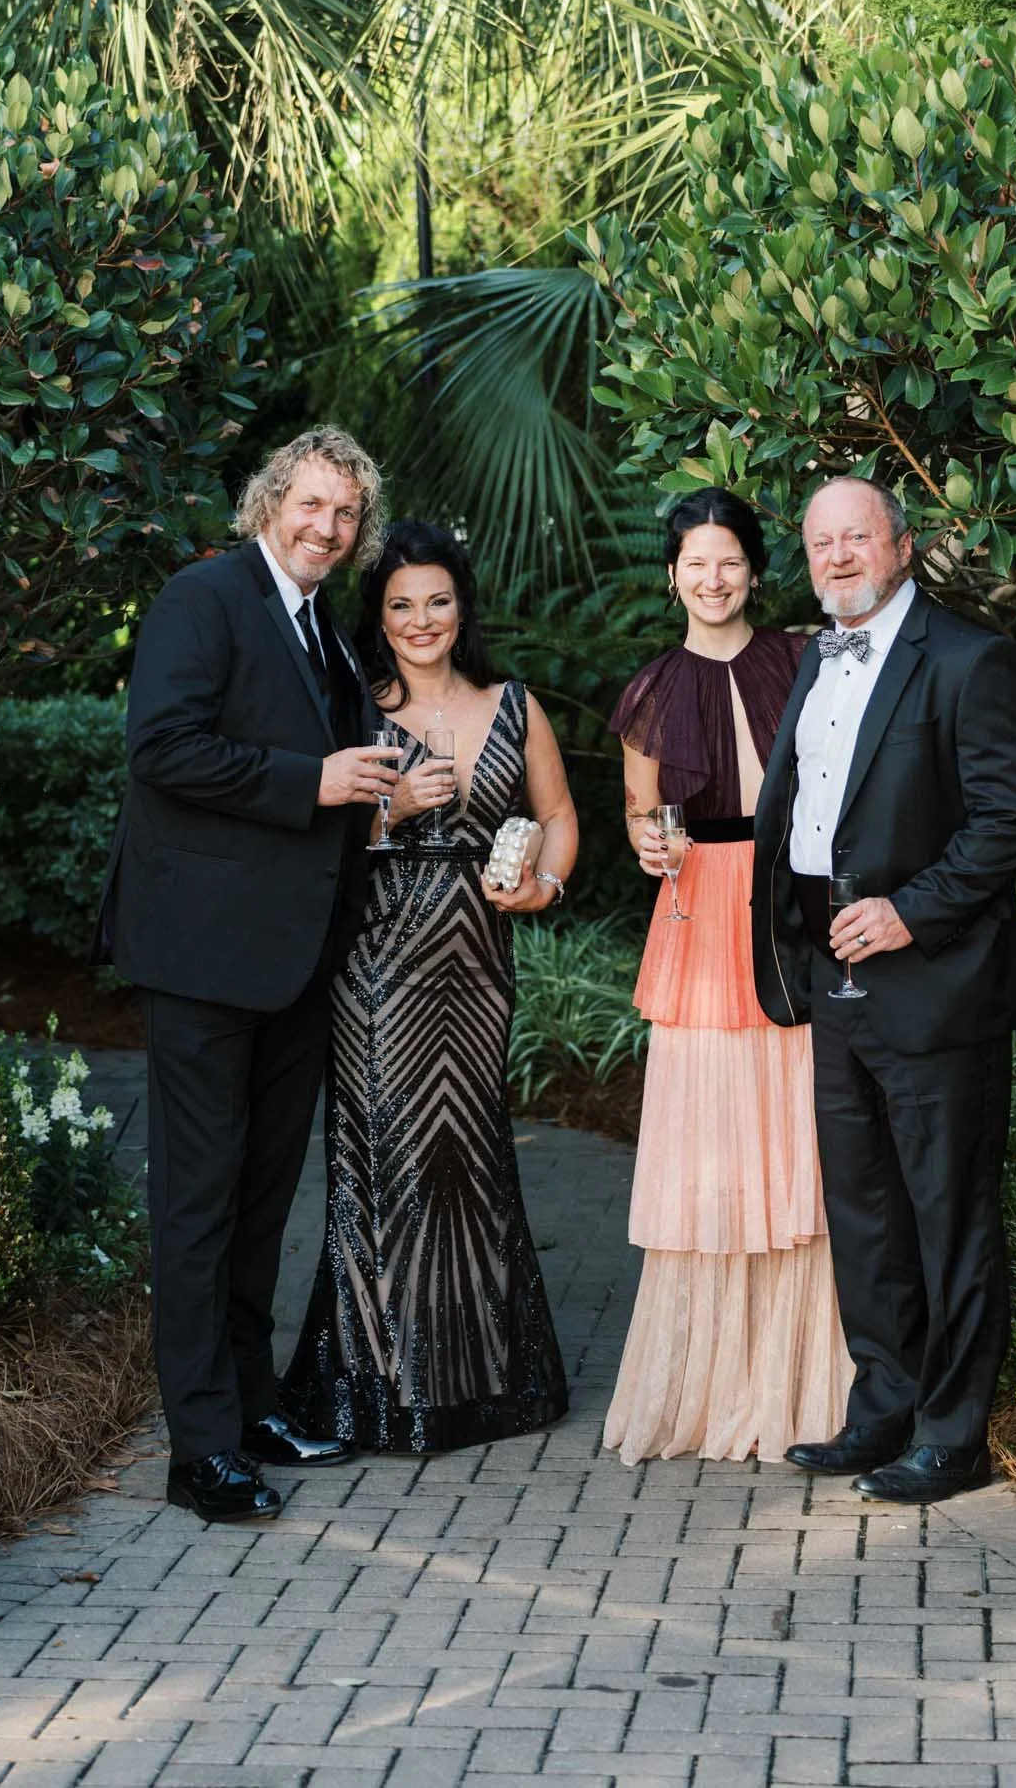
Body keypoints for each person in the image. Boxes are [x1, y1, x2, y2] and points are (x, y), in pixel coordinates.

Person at [94, 426, 404, 1525]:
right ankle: (200, 1449)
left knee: (263, 1198)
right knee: (197, 1200)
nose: (327, 527)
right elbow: (162, 749)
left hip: (295, 958)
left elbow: (331, 778)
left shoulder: (322, 625)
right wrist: (312, 779)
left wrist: (371, 789)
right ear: (272, 500)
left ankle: (254, 1405)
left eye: (346, 515)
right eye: (312, 504)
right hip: (202, 954)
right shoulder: (204, 597)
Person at [751, 475, 1016, 1503]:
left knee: (948, 1212)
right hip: (831, 973)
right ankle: (881, 1407)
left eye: (857, 538)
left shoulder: (971, 660)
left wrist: (910, 911)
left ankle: (951, 1434)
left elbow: (1009, 818)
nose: (837, 556)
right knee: (865, 1210)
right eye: (821, 540)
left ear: (902, 546)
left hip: (935, 981)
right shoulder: (813, 660)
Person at [282, 518, 576, 1452]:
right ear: (379, 614)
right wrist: (389, 810)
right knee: (386, 1166)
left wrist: (543, 884)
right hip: (378, 963)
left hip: (480, 961)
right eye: (401, 604)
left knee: (470, 1163)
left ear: (462, 606)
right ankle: (383, 1389)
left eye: (437, 601)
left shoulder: (515, 706)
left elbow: (560, 816)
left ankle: (488, 1382)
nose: (421, 620)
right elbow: (316, 843)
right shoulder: (353, 709)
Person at [603, 488, 853, 1465]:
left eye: (729, 560)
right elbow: (636, 815)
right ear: (671, 576)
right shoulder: (648, 691)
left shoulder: (804, 662)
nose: (712, 578)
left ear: (754, 569)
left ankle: (805, 1385)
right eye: (694, 563)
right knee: (707, 1149)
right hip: (699, 916)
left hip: (790, 911)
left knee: (798, 1145)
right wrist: (646, 847)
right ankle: (702, 1391)